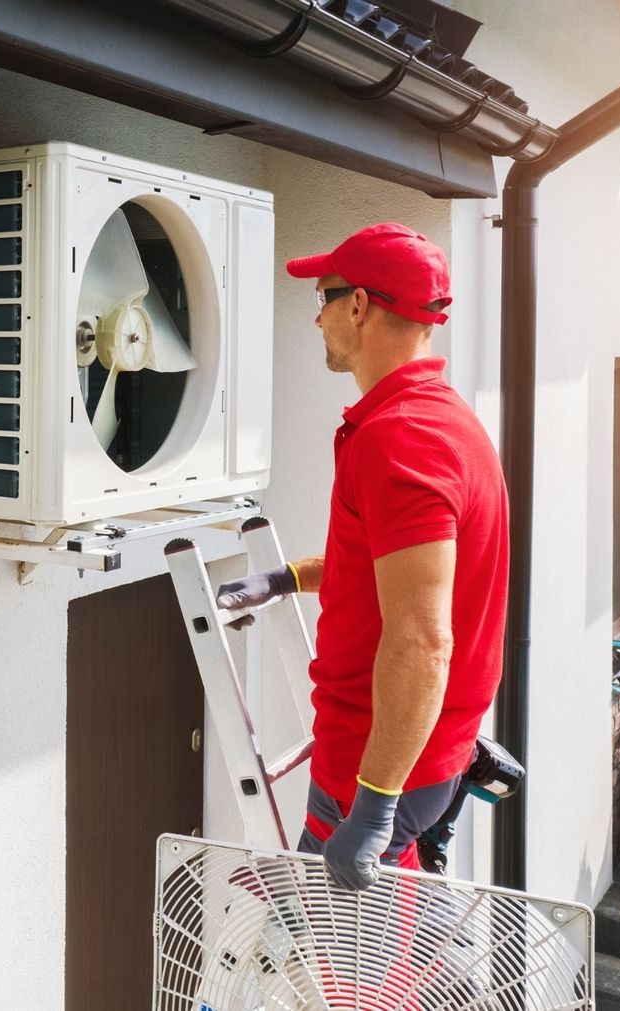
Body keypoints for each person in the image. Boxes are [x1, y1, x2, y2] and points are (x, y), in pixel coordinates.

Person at [218, 223, 509, 891]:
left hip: (376, 766)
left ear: (358, 306)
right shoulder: (436, 420)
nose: (316, 316)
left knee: (350, 977)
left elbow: (422, 640)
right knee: (351, 949)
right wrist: (285, 577)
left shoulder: (401, 440)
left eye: (322, 297)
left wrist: (374, 806)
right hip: (410, 756)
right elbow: (391, 571)